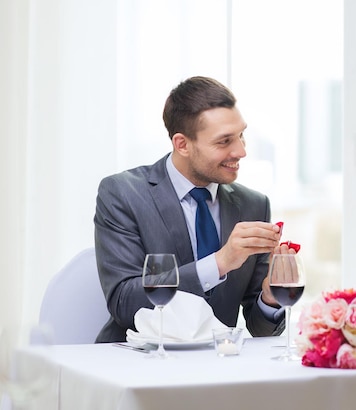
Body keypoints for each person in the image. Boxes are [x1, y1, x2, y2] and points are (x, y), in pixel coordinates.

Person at [94, 76, 287, 343]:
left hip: (218, 367)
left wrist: (270, 298)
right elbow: (125, 302)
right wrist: (220, 263)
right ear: (182, 144)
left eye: (241, 135)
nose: (241, 151)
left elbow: (261, 329)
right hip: (138, 364)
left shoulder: (254, 205)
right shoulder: (123, 194)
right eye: (224, 141)